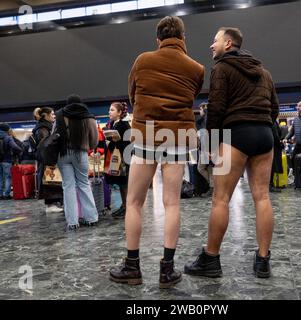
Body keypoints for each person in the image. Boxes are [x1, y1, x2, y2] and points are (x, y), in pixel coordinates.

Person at [109, 16, 204, 288]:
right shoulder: (196, 68)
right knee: (172, 203)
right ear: (183, 38)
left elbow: (132, 94)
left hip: (146, 135)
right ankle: (167, 271)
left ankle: (131, 267)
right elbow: (190, 97)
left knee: (135, 202)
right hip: (178, 137)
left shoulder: (142, 60)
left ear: (158, 39)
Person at [184, 26, 279, 279]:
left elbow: (215, 109)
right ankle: (262, 261)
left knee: (221, 199)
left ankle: (211, 259)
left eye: (214, 41)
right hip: (264, 135)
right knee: (262, 197)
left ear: (228, 43)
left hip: (236, 134)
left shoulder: (221, 69)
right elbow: (275, 109)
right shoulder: (264, 72)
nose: (211, 45)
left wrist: (213, 145)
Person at [55, 94, 99, 231]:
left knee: (68, 186)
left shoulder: (59, 116)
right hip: (81, 153)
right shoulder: (88, 117)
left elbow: (54, 135)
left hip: (62, 154)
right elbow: (94, 141)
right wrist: (88, 146)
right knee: (84, 183)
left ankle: (73, 222)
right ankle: (91, 218)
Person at [32, 107, 63, 213]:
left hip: (48, 159)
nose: (54, 116)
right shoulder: (42, 129)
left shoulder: (45, 127)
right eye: (52, 114)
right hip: (46, 159)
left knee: (52, 180)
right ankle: (50, 204)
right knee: (49, 181)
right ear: (45, 115)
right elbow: (45, 144)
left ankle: (54, 202)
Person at [103, 102, 131, 219]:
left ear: (119, 113)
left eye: (112, 110)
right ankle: (124, 206)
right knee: (120, 183)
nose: (110, 112)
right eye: (109, 110)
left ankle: (128, 207)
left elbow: (128, 143)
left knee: (124, 184)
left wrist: (116, 141)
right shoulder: (112, 124)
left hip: (123, 158)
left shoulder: (124, 125)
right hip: (116, 158)